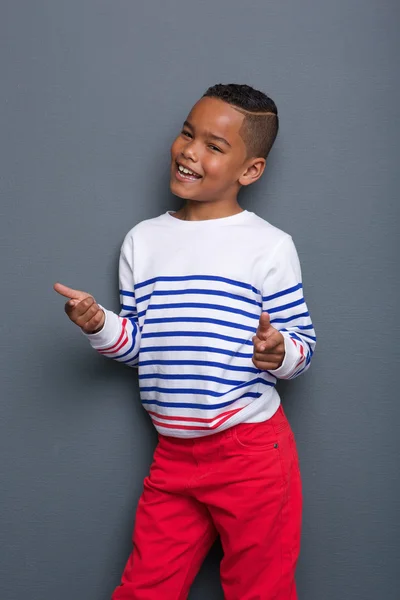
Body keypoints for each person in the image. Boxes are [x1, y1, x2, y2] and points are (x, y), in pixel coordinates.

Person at [54, 83, 316, 600]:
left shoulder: (269, 246)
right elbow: (139, 346)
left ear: (250, 170)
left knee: (259, 589)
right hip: (173, 455)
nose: (190, 152)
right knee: (145, 587)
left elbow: (303, 347)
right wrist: (97, 324)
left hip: (250, 452)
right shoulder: (143, 240)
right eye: (187, 134)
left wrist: (279, 350)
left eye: (214, 146)